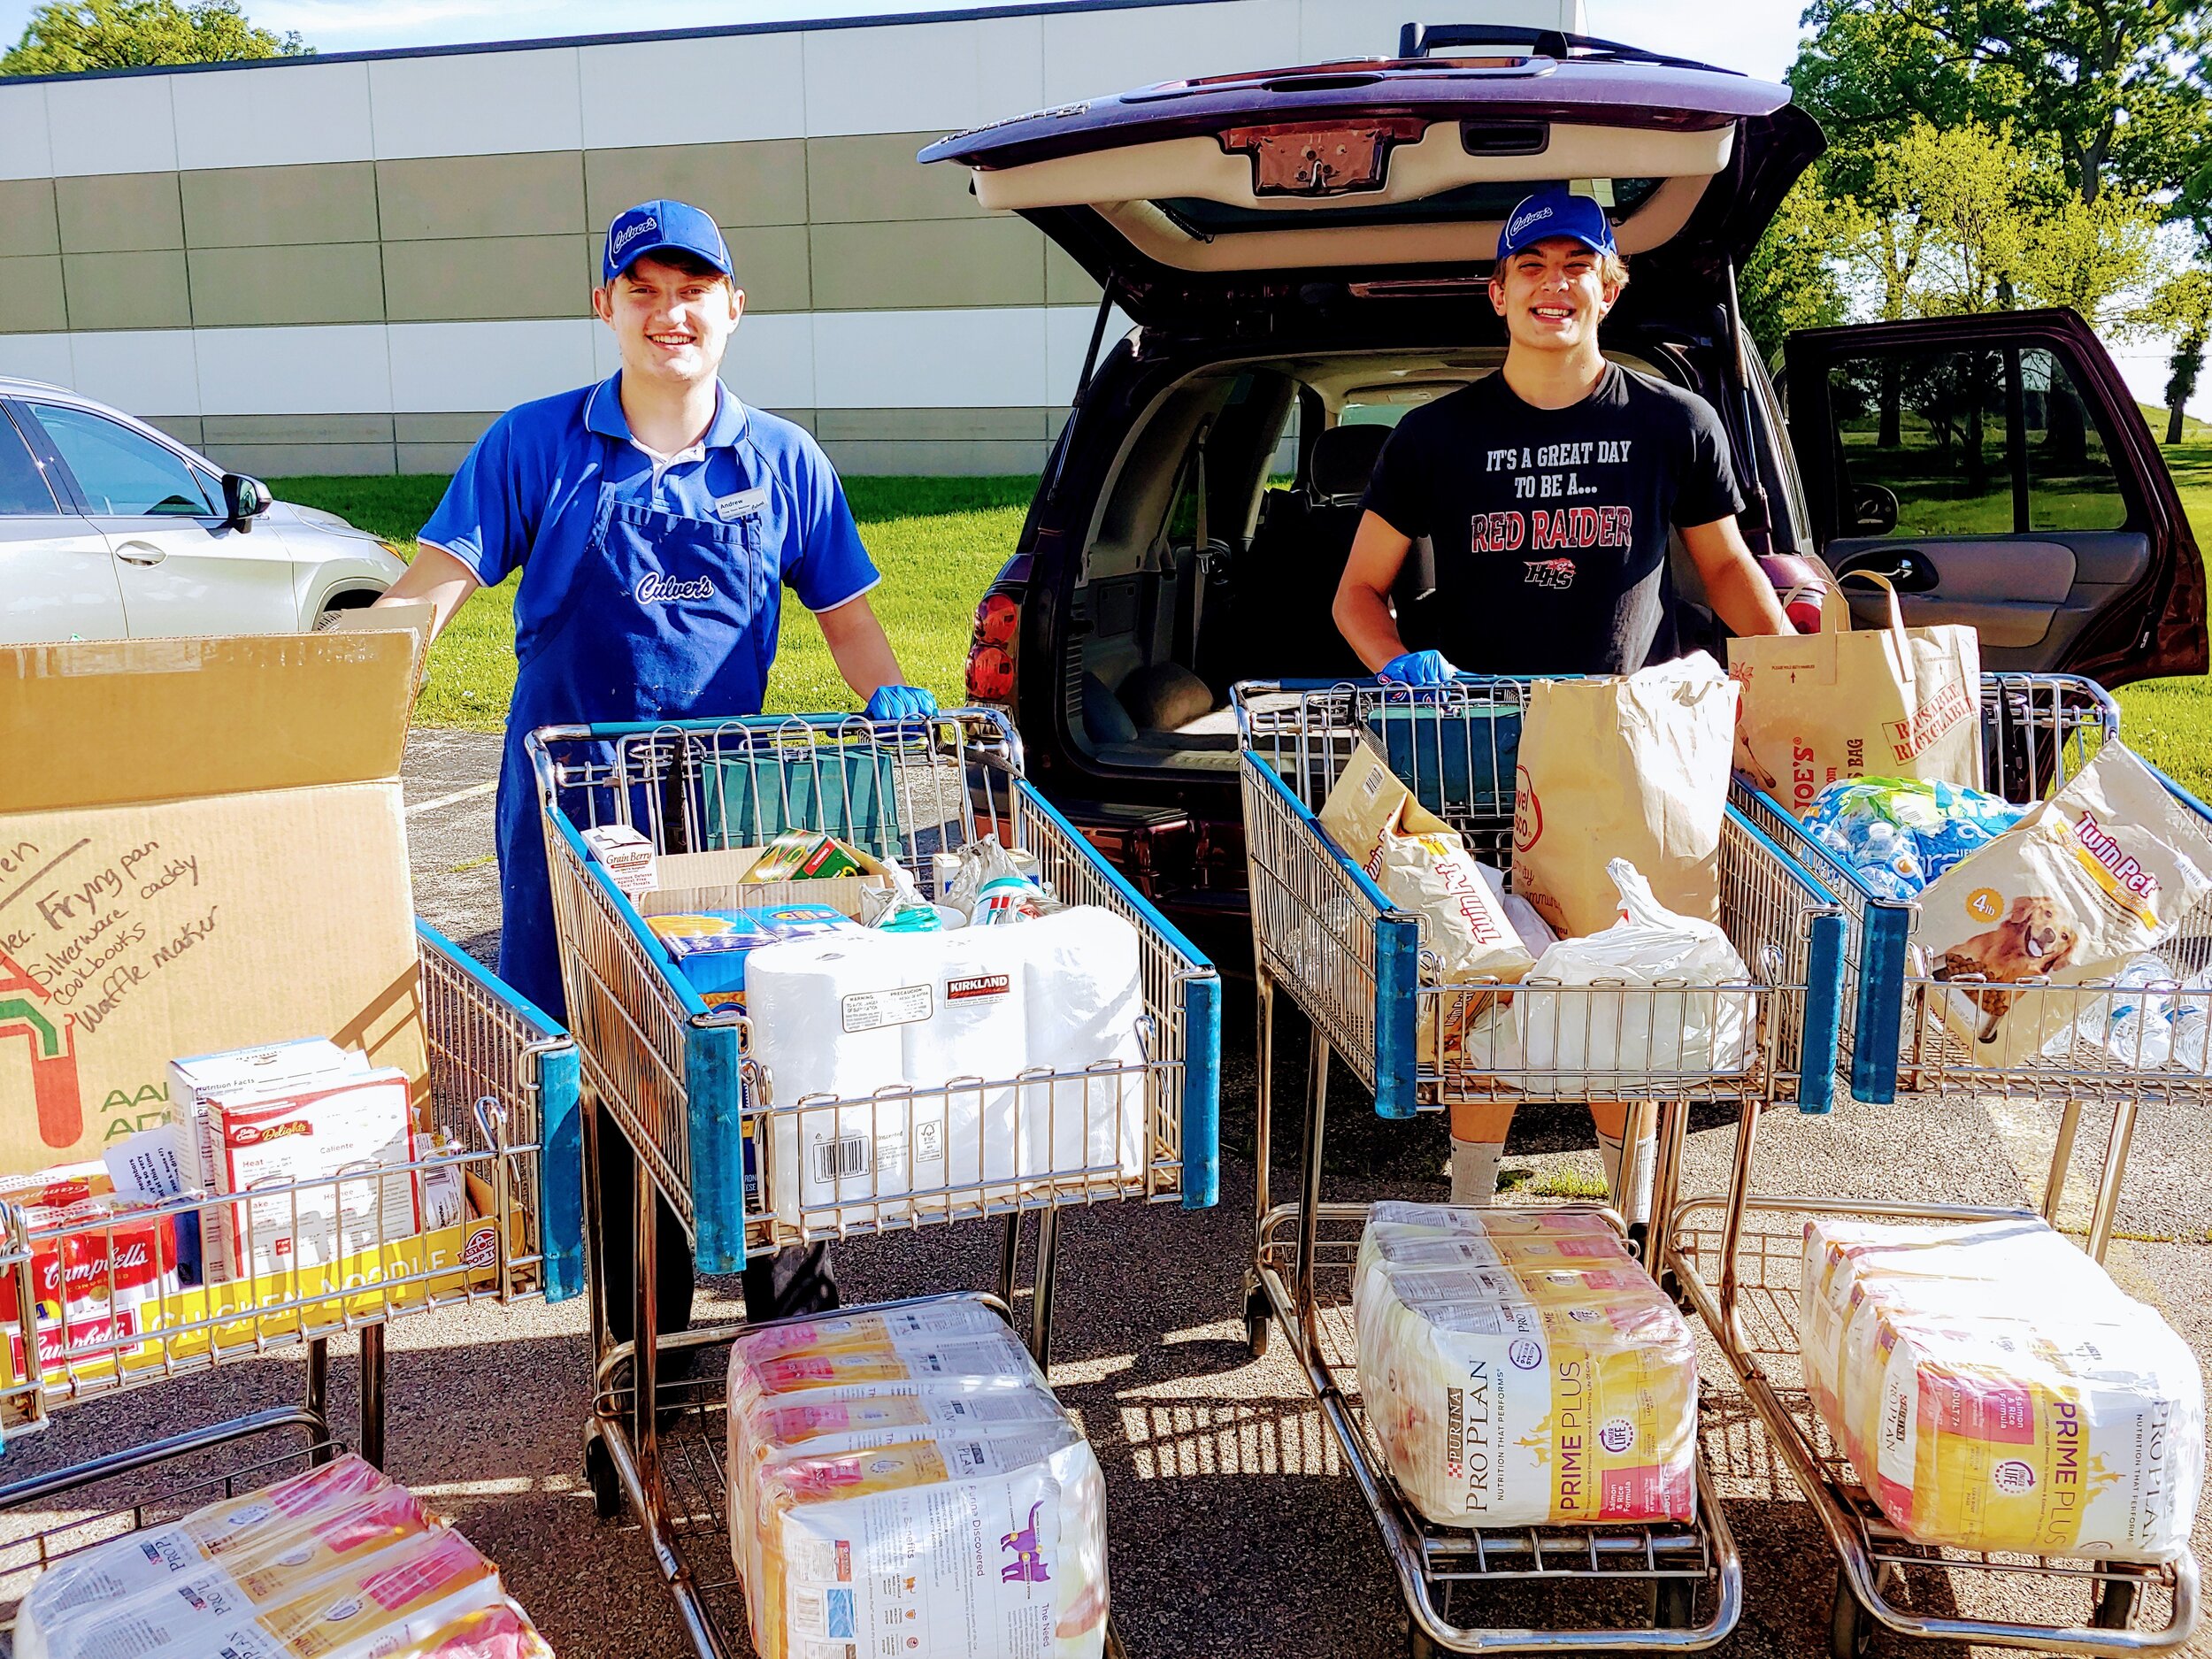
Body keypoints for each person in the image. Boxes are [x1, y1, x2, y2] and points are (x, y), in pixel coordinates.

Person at [373, 198, 935, 1330]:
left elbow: (849, 622)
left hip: (729, 820)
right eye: (643, 291)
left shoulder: (783, 461)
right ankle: (642, 1357)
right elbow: (432, 588)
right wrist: (348, 683)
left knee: (762, 1056)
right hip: (571, 818)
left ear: (733, 307)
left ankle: (795, 1334)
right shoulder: (535, 444)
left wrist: (891, 696)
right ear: (606, 307)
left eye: (692, 291)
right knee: (615, 1076)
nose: (668, 313)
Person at [1332, 185, 1792, 1233]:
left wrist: (1792, 681)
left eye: (1576, 267)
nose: (1554, 286)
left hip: (1619, 749)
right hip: (1473, 750)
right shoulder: (1434, 438)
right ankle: (1470, 1211)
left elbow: (1726, 575)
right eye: (1530, 269)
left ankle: (1630, 1221)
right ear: (1497, 294)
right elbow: (1357, 594)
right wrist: (1400, 663)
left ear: (1610, 289)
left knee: (1617, 983)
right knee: (1492, 985)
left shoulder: (1672, 423)